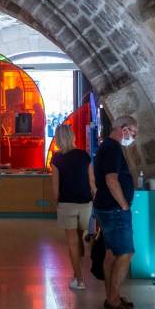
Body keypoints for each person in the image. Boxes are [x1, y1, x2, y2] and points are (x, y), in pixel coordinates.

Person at [93, 116, 138, 309]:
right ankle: (112, 301)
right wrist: (124, 205)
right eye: (133, 133)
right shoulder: (112, 148)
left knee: (112, 253)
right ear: (124, 129)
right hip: (115, 209)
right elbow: (111, 180)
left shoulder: (107, 147)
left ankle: (113, 296)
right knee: (125, 253)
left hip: (106, 207)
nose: (134, 137)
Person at [51, 124, 96, 291]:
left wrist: (56, 203)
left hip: (67, 203)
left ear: (58, 138)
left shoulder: (57, 159)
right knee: (79, 236)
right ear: (72, 136)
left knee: (72, 242)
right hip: (85, 203)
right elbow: (91, 181)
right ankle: (79, 269)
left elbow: (55, 185)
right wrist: (94, 196)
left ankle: (79, 279)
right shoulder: (84, 155)